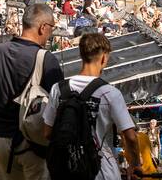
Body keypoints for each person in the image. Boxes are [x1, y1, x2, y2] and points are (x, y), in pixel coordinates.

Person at [0, 2, 64, 180]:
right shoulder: (47, 59)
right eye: (51, 29)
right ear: (43, 27)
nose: (50, 35)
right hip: (33, 141)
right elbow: (58, 107)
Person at [43, 32, 139, 180]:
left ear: (81, 55)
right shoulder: (110, 93)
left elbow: (47, 132)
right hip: (102, 171)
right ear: (104, 57)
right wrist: (135, 164)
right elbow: (131, 137)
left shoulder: (58, 89)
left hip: (65, 170)